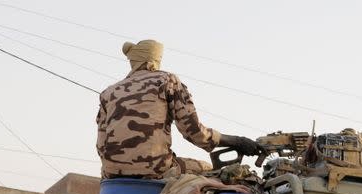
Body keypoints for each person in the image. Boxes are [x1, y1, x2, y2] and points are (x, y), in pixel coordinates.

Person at [96, 39, 260, 179]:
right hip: (157, 170)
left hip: (111, 176)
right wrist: (237, 141)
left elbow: (101, 146)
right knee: (209, 170)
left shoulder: (107, 93)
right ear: (152, 61)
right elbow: (195, 133)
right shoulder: (166, 80)